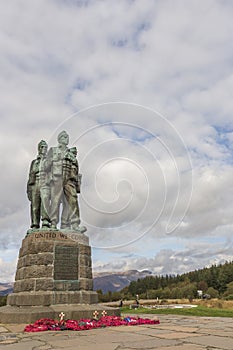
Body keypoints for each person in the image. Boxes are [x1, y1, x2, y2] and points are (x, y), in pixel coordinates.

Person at [27, 140, 50, 229]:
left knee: (45, 203)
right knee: (34, 206)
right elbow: (30, 176)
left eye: (45, 147)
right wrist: (29, 190)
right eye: (42, 147)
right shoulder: (34, 162)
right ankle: (35, 224)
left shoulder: (49, 161)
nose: (43, 149)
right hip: (35, 184)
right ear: (39, 149)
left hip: (45, 183)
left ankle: (45, 222)